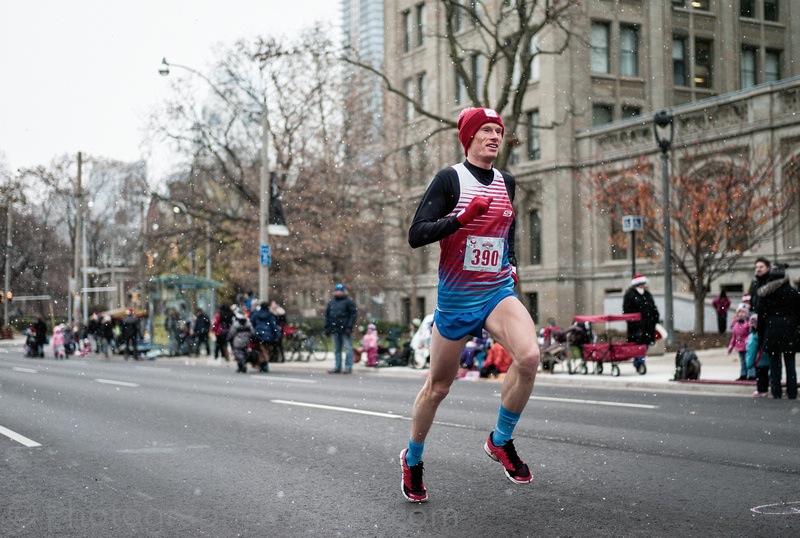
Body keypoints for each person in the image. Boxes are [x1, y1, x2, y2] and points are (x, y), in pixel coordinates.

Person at [400, 107, 539, 503]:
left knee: (529, 357)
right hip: (458, 298)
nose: (495, 137)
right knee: (439, 387)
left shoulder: (506, 182)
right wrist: (460, 219)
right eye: (486, 131)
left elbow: (506, 230)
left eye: (499, 131)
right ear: (470, 138)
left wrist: (510, 264)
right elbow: (416, 234)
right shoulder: (450, 179)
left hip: (495, 291)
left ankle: (500, 440)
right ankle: (413, 458)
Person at [755, 263, 799, 399]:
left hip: (772, 330)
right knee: (790, 362)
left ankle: (776, 391)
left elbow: (761, 315)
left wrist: (761, 334)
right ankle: (792, 392)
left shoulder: (766, 293)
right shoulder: (793, 293)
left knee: (775, 363)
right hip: (790, 330)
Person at [622, 273, 659, 372]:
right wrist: (633, 322)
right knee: (638, 344)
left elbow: (653, 307)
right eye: (641, 283)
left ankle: (640, 361)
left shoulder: (647, 294)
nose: (643, 285)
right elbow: (627, 310)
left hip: (648, 325)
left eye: (644, 283)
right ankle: (639, 362)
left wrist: (656, 318)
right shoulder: (630, 295)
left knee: (645, 344)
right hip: (636, 326)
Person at [324, 283, 357, 374]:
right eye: (337, 291)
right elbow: (327, 315)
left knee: (348, 349)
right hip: (335, 329)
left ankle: (348, 367)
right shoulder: (331, 302)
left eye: (340, 291)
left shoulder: (349, 302)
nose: (338, 293)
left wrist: (349, 327)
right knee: (337, 350)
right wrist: (327, 327)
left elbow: (352, 315)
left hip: (345, 329)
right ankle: (337, 366)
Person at [249, 301, 280, 372]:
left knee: (260, 350)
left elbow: (251, 323)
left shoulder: (256, 314)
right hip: (269, 336)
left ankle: (263, 362)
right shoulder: (270, 315)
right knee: (265, 350)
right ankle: (264, 363)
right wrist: (277, 335)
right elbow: (274, 326)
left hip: (258, 335)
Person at [746, 314, 770, 398]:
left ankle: (761, 390)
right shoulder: (766, 335)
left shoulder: (753, 336)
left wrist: (749, 363)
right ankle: (765, 390)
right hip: (767, 360)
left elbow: (751, 351)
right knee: (765, 375)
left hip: (759, 360)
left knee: (760, 376)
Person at [727, 304, 753, 381]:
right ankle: (743, 374)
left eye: (743, 312)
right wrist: (731, 346)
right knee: (742, 361)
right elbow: (734, 337)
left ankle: (751, 374)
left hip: (747, 346)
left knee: (749, 360)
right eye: (739, 312)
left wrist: (748, 340)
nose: (741, 314)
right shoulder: (736, 325)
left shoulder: (748, 324)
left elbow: (751, 333)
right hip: (740, 347)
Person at [230, 309, 254, 374]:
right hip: (246, 341)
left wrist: (229, 338)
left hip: (238, 341)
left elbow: (232, 333)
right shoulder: (248, 323)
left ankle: (242, 365)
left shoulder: (236, 324)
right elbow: (252, 332)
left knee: (239, 354)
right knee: (244, 353)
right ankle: (241, 365)